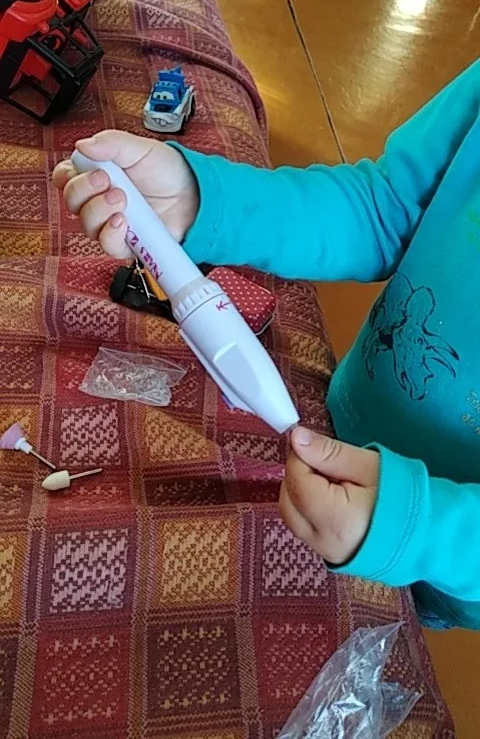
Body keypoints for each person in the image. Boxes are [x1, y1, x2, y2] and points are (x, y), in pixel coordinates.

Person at [54, 58, 480, 631]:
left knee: (408, 618)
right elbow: (386, 209)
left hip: (452, 562)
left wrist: (419, 531)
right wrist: (203, 201)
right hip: (348, 424)